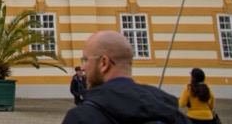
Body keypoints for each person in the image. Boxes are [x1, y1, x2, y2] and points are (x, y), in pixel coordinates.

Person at [61, 30, 191, 124]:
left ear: (104, 63)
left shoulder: (81, 118)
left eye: (85, 60)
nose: (83, 67)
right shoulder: (170, 112)